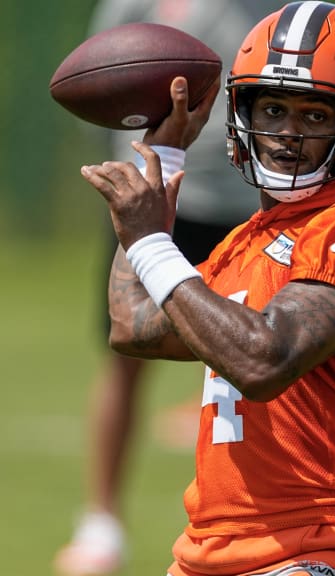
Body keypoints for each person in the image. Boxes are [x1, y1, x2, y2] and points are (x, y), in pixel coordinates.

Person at [76, 2, 335, 575]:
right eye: (274, 108)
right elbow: (132, 326)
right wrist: (160, 159)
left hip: (322, 550)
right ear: (240, 112)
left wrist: (153, 246)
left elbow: (265, 359)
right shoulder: (245, 243)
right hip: (210, 554)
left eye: (313, 116)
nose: (286, 134)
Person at [54, 2, 282, 574]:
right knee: (124, 351)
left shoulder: (262, 7)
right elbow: (97, 81)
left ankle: (264, 525)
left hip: (240, 205)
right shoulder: (132, 3)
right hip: (155, 195)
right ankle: (100, 522)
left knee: (253, 359)